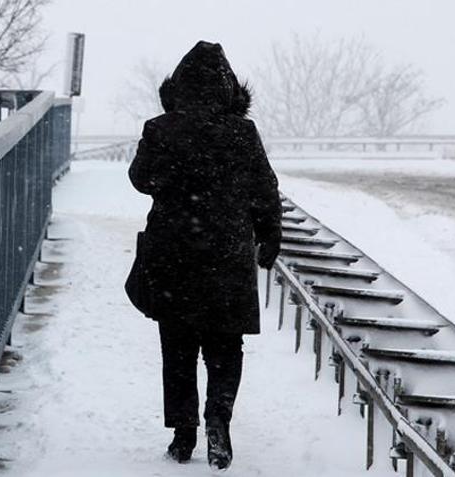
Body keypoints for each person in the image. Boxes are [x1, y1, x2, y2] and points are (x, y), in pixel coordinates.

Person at [127, 41, 283, 471]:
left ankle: (183, 435)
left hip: (174, 253)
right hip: (227, 254)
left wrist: (175, 176)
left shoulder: (159, 129)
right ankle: (219, 419)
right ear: (229, 90)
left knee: (177, 345)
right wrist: (269, 236)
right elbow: (265, 189)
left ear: (177, 88)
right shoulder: (241, 133)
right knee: (225, 345)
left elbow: (141, 180)